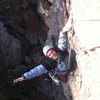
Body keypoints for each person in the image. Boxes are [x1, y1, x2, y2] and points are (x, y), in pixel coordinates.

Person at [13, 19, 71, 85]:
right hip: (62, 72)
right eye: (49, 55)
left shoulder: (60, 50)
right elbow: (37, 70)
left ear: (54, 50)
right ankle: (52, 75)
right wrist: (25, 76)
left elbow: (62, 41)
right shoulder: (49, 63)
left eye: (51, 52)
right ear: (48, 57)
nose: (52, 54)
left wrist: (63, 31)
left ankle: (52, 74)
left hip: (67, 66)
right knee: (64, 80)